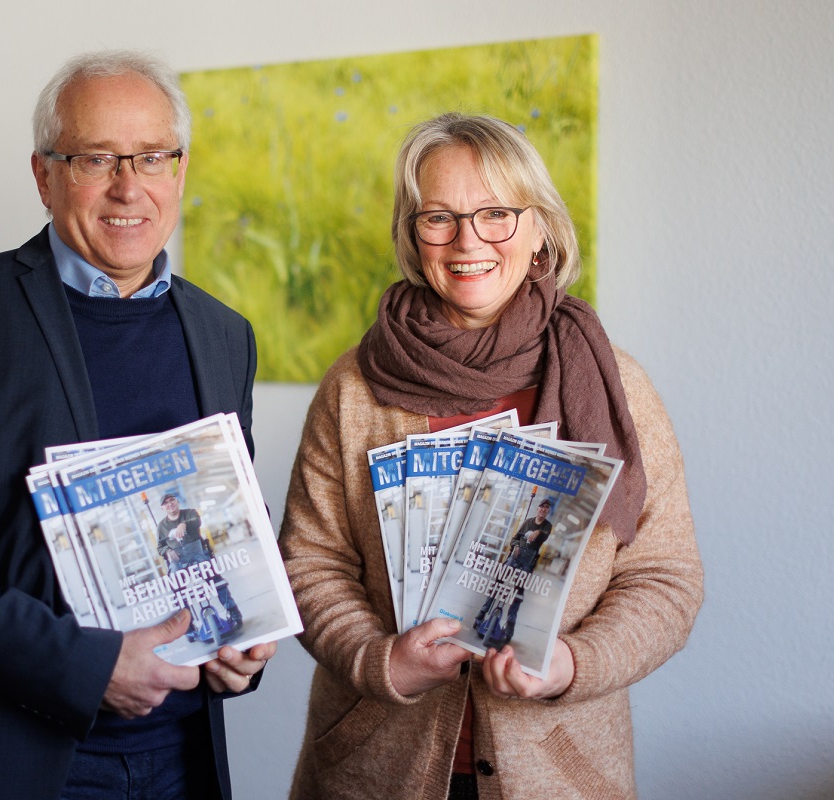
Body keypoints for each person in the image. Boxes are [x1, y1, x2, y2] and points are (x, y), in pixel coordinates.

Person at [0, 51, 275, 800]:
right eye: (94, 159)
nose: (128, 186)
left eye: (151, 157)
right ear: (44, 175)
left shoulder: (223, 333)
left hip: (177, 757)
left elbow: (227, 522)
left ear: (180, 169)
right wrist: (84, 666)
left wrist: (240, 637)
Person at [279, 113, 703, 800]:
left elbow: (666, 577)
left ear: (540, 231)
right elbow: (310, 561)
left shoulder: (613, 382)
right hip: (376, 764)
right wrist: (379, 660)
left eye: (497, 213)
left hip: (560, 767)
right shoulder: (355, 387)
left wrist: (573, 663)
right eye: (439, 217)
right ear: (413, 237)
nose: (468, 239)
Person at [472, 498, 553, 649]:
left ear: (548, 511)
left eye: (546, 508)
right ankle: (481, 615)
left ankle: (509, 630)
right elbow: (515, 538)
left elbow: (544, 535)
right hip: (515, 557)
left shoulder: (547, 526)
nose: (543, 510)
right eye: (541, 507)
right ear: (537, 509)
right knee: (497, 585)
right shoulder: (528, 521)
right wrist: (515, 546)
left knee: (517, 596)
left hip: (527, 562)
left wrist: (537, 531)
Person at [156, 493, 243, 631]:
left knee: (216, 581)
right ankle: (188, 627)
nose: (170, 503)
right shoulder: (162, 526)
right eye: (165, 503)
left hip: (197, 554)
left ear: (177, 502)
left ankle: (234, 613)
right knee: (177, 591)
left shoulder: (190, 513)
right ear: (163, 508)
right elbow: (160, 547)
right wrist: (167, 551)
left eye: (172, 500)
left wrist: (184, 524)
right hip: (178, 561)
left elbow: (197, 521)